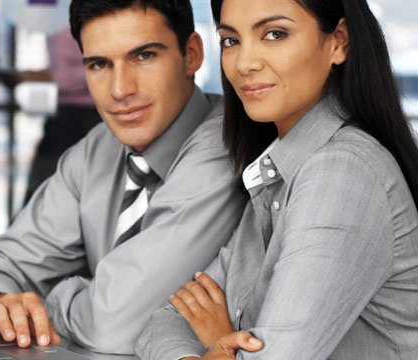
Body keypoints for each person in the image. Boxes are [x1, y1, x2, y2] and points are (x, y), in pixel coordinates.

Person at [0, 0, 247, 354]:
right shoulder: (98, 148)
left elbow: (113, 323)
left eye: (144, 56)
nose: (120, 89)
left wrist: (44, 304)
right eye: (99, 64)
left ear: (192, 54)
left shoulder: (225, 144)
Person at [135, 0, 418, 359]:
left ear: (339, 42)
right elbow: (167, 320)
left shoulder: (342, 174)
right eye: (230, 41)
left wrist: (221, 339)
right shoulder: (278, 174)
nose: (244, 63)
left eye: (274, 34)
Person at [21, 27, 102, 205]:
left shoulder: (93, 19)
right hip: (64, 113)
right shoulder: (56, 24)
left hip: (91, 115)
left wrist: (50, 77)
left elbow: (100, 68)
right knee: (43, 190)